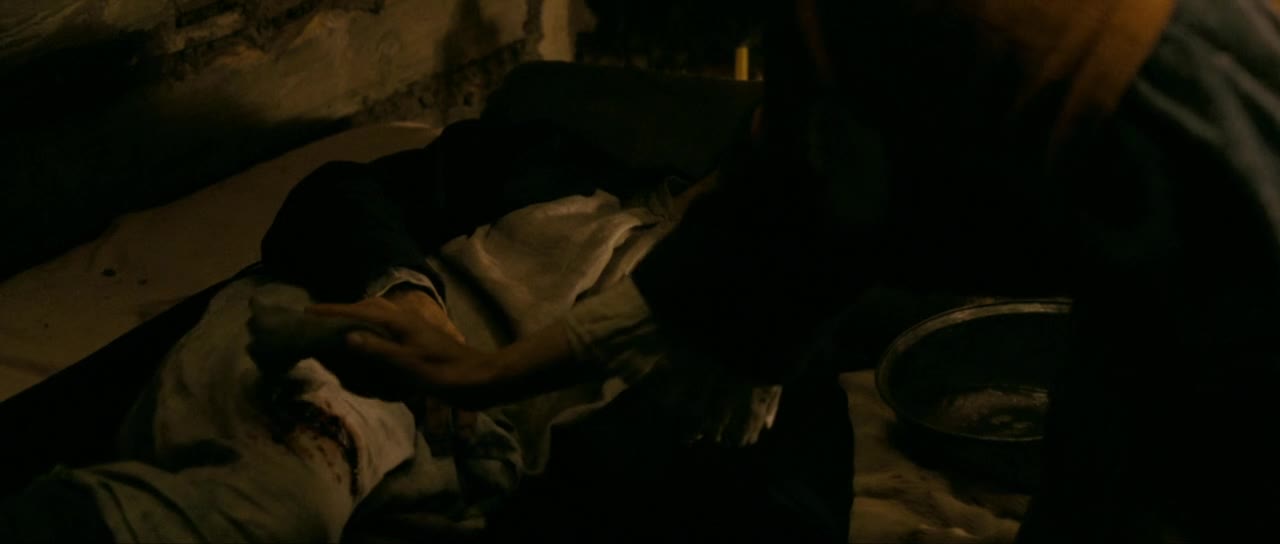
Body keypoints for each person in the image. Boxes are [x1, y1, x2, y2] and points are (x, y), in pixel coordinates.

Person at [309, 1, 1280, 543]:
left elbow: (789, 228)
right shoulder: (554, 162)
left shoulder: (852, 99)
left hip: (1197, 180)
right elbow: (785, 220)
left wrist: (491, 376)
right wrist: (469, 358)